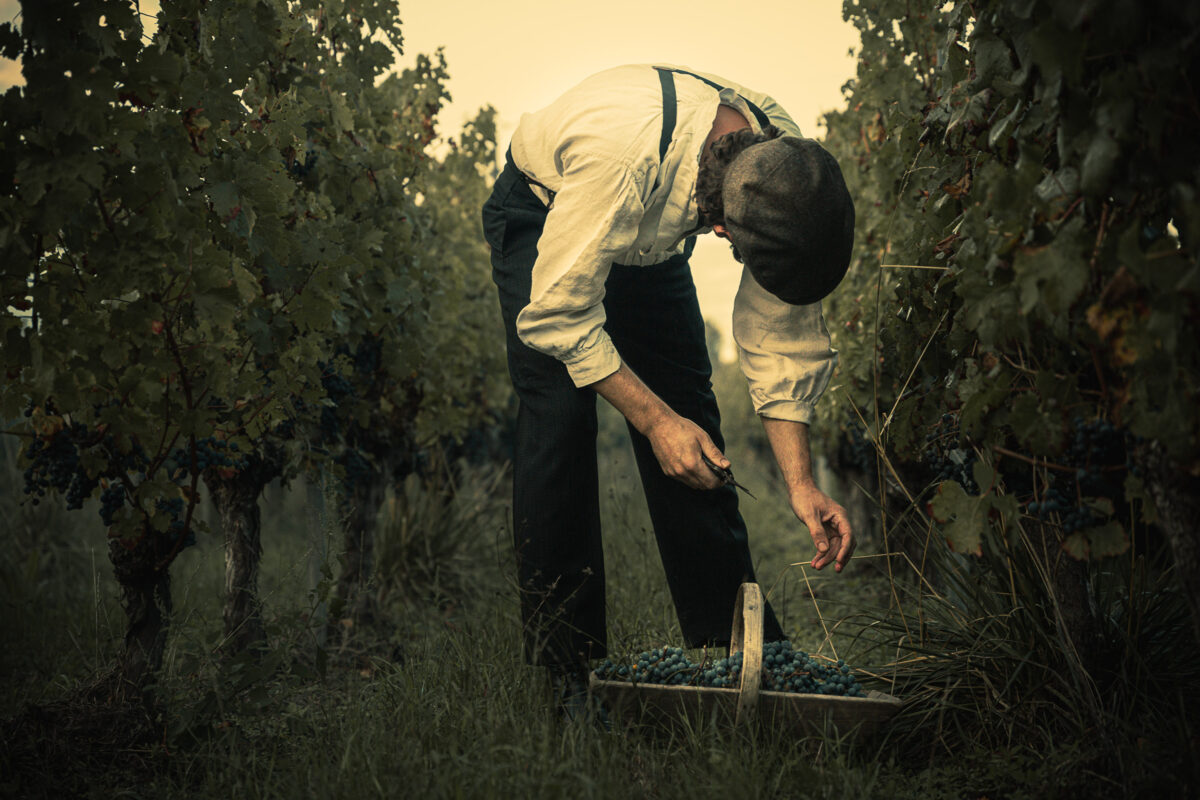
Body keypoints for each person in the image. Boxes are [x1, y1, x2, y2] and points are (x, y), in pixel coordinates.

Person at [481, 64, 856, 718]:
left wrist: (800, 482)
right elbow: (559, 317)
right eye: (730, 243)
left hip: (646, 245)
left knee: (698, 432)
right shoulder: (620, 155)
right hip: (546, 219)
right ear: (719, 224)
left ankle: (737, 646)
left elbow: (779, 332)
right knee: (559, 424)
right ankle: (566, 675)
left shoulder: (786, 169)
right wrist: (655, 423)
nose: (722, 245)